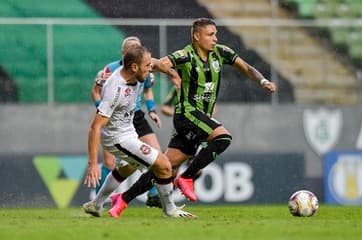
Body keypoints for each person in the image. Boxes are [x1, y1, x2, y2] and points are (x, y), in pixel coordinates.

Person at [113, 17, 277, 206]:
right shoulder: (185, 56)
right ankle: (187, 177)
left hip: (200, 119)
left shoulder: (221, 52)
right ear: (197, 36)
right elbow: (160, 63)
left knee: (167, 166)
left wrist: (263, 81)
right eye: (210, 35)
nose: (215, 38)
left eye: (216, 34)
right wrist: (154, 67)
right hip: (187, 114)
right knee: (223, 138)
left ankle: (123, 199)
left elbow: (247, 68)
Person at [83, 44, 195, 219]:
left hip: (128, 130)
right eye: (147, 66)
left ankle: (96, 204)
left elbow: (157, 64)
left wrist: (173, 74)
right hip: (117, 138)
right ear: (134, 67)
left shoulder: (135, 70)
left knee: (126, 169)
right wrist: (92, 163)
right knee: (164, 165)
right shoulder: (116, 89)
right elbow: (95, 126)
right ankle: (170, 209)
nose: (150, 70)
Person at [90, 36, 162, 208]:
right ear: (123, 53)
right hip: (114, 119)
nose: (134, 50)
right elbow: (96, 91)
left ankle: (152, 195)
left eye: (137, 47)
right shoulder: (110, 71)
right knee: (109, 163)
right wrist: (103, 108)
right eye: (130, 48)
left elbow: (147, 91)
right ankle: (100, 201)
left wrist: (152, 110)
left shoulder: (144, 70)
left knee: (157, 155)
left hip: (135, 116)